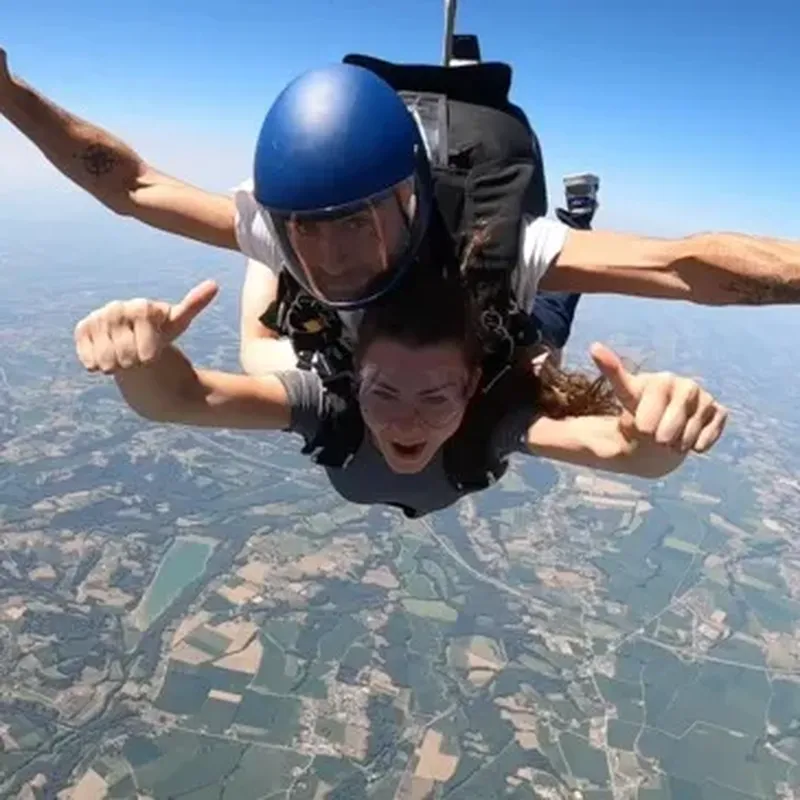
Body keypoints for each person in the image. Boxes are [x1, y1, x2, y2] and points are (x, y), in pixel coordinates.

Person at [1, 48, 798, 366]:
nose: (337, 255)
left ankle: (577, 215)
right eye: (308, 230)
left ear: (414, 201)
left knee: (541, 336)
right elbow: (130, 186)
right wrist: (10, 96)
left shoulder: (486, 243)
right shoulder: (281, 230)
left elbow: (686, 267)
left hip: (491, 314)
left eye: (358, 221)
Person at [72, 270, 728, 519]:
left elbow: (624, 451)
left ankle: (576, 217)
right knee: (257, 350)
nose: (407, 420)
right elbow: (180, 398)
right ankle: (268, 249)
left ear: (471, 386)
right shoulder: (334, 401)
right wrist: (143, 361)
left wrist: (658, 437)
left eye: (437, 396)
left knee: (542, 345)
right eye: (384, 392)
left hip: (499, 364)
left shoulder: (489, 414)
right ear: (355, 379)